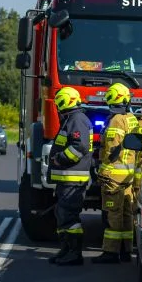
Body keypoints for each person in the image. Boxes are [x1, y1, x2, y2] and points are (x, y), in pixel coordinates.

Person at [94, 82, 139, 264]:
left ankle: (110, 252)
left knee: (112, 214)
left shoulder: (115, 120)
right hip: (128, 174)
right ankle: (126, 251)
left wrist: (101, 167)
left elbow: (111, 149)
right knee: (126, 213)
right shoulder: (132, 118)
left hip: (113, 176)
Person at [48, 87, 93, 266]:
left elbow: (79, 146)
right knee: (62, 214)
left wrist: (60, 159)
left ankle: (74, 254)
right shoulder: (72, 119)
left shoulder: (76, 119)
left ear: (62, 102)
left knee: (69, 217)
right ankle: (66, 250)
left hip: (72, 180)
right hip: (67, 180)